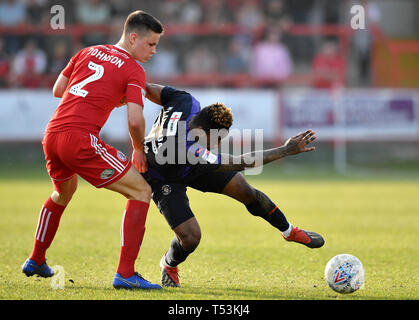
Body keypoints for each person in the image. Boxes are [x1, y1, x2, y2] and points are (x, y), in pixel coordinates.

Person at [21, 10, 164, 290]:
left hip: (52, 135)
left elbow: (58, 90)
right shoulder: (133, 69)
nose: (154, 51)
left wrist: (105, 94)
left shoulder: (88, 51)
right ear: (133, 37)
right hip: (80, 139)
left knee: (63, 192)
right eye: (150, 44)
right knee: (141, 190)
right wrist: (138, 148)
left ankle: (36, 259)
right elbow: (135, 119)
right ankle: (126, 273)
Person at [143, 83, 325, 287]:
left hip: (187, 162)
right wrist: (284, 150)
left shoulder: (186, 100)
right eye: (217, 138)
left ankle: (289, 231)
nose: (218, 144)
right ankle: (169, 263)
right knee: (191, 237)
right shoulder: (190, 149)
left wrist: (126, 89)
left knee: (243, 188)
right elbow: (240, 162)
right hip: (163, 176)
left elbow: (147, 87)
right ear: (201, 130)